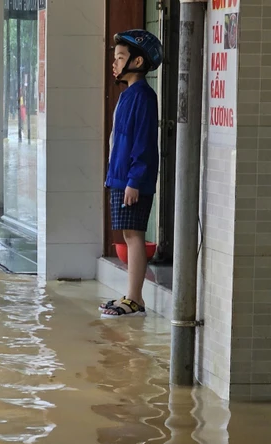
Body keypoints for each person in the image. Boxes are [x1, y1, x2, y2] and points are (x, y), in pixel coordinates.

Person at [99, 29, 163, 319]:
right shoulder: (128, 95)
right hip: (121, 178)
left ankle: (136, 300)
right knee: (128, 234)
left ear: (137, 61)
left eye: (120, 58)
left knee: (134, 236)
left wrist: (134, 181)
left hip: (132, 181)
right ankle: (130, 295)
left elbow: (144, 144)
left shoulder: (144, 97)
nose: (115, 63)